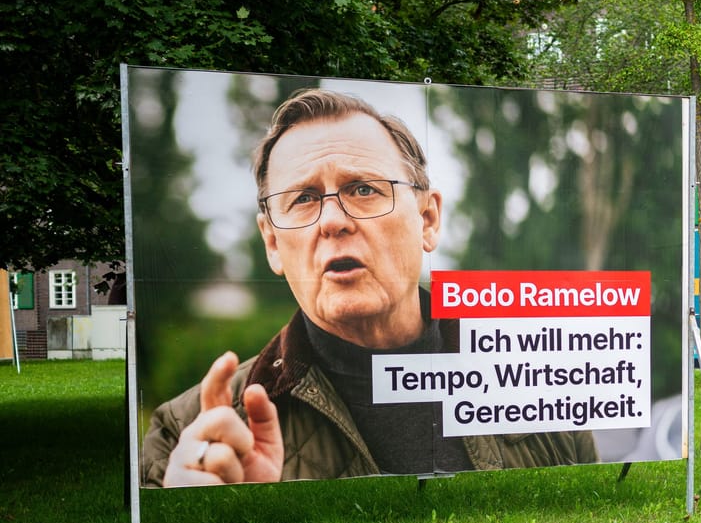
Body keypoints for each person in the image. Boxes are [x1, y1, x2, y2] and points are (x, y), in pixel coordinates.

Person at [141, 88, 596, 487]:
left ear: (428, 219)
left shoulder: (541, 387)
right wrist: (195, 517)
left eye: (362, 189)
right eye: (303, 199)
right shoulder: (185, 435)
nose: (333, 221)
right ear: (273, 244)